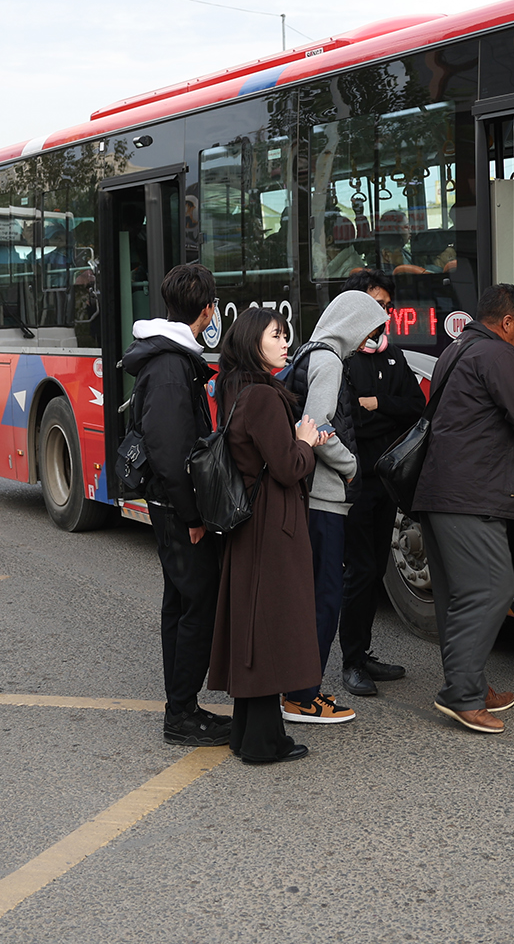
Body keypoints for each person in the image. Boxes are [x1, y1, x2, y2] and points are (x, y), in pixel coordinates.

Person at [413, 284, 514, 735]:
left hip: (440, 491)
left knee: (457, 596)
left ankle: (472, 685)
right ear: (506, 322)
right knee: (492, 589)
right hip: (470, 494)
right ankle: (460, 696)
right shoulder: (498, 356)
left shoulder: (456, 350)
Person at [119, 263, 231, 749]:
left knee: (181, 603)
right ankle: (182, 714)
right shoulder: (170, 367)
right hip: (176, 507)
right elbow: (168, 452)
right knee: (196, 605)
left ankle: (180, 706)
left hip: (172, 503)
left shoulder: (172, 357)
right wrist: (192, 518)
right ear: (207, 310)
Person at [207, 307, 324, 764]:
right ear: (254, 340)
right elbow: (287, 466)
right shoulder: (261, 396)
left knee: (256, 626)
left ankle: (251, 735)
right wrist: (306, 442)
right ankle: (262, 742)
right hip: (272, 522)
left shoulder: (235, 387)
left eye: (286, 334)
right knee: (273, 626)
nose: (285, 342)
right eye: (276, 335)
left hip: (249, 521)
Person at [278, 286, 389, 726]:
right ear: (353, 324)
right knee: (324, 599)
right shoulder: (328, 362)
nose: (373, 338)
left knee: (316, 596)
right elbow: (317, 424)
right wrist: (349, 466)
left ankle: (300, 689)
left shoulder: (310, 352)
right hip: (324, 497)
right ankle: (304, 696)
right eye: (370, 329)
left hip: (311, 494)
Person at [337, 270, 425, 697]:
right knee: (360, 571)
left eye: (388, 306)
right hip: (353, 484)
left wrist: (379, 405)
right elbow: (350, 420)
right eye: (376, 305)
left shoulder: (393, 356)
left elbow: (416, 407)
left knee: (375, 571)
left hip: (385, 481)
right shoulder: (339, 360)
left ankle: (364, 652)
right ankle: (351, 662)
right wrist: (380, 414)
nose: (384, 314)